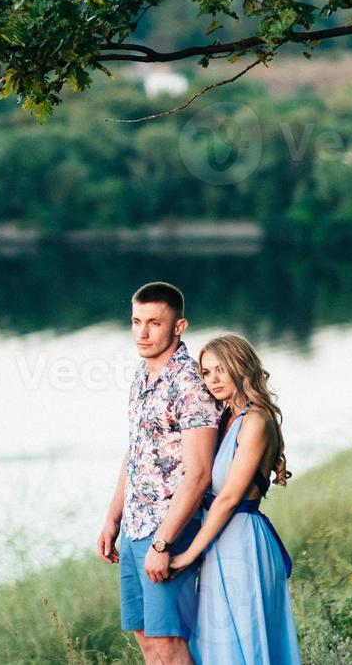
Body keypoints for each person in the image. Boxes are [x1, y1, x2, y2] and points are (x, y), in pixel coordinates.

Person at [98, 281, 223, 665]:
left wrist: (162, 543)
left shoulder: (190, 384)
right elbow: (136, 451)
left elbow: (199, 474)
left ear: (179, 326)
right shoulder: (142, 375)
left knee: (169, 643)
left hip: (169, 529)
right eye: (136, 322)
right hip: (135, 525)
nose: (142, 332)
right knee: (147, 640)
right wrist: (112, 517)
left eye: (154, 323)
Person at [169, 333, 301, 665]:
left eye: (219, 370)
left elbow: (227, 498)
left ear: (240, 368)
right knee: (219, 645)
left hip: (242, 541)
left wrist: (188, 556)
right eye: (205, 372)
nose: (211, 380)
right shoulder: (223, 418)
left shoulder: (256, 420)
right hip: (218, 539)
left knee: (245, 639)